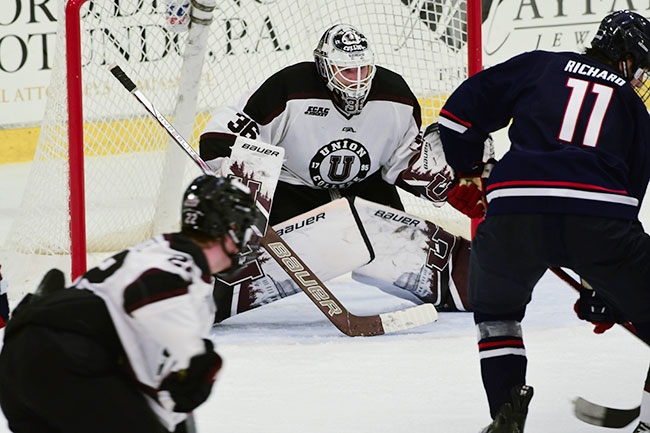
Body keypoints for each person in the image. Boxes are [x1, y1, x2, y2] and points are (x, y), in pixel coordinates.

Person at [437, 9, 650, 433]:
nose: (642, 79)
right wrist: (604, 288)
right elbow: (625, 201)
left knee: (497, 315)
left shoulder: (541, 64)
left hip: (513, 214)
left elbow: (457, 117)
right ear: (623, 57)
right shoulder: (632, 107)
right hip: (598, 221)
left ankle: (506, 413)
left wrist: (470, 171)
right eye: (641, 68)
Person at [199, 23, 472, 317]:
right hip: (293, 190)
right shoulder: (288, 89)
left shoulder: (395, 97)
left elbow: (403, 158)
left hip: (366, 187)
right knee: (251, 261)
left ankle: (460, 278)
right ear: (326, 67)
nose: (357, 81)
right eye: (346, 71)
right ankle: (201, 295)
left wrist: (446, 179)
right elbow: (223, 139)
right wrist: (243, 181)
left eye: (363, 70)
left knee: (396, 243)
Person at [0, 175, 264, 433]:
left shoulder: (155, 250)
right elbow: (150, 291)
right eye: (242, 229)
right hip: (65, 362)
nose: (244, 240)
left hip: (18, 364)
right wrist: (196, 359)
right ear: (227, 229)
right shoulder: (177, 269)